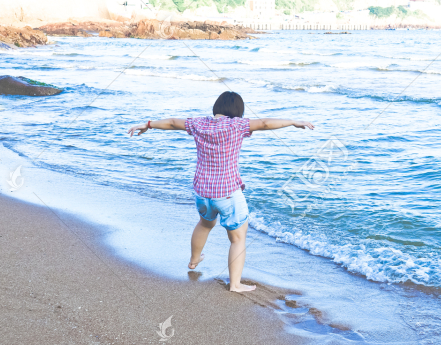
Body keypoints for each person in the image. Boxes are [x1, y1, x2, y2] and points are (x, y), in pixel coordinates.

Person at [127, 91, 314, 292]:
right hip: (227, 193)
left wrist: (147, 124)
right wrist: (293, 122)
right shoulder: (237, 125)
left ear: (217, 107)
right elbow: (265, 123)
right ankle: (235, 284)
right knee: (238, 237)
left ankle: (194, 260)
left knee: (205, 224)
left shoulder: (198, 124)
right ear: (237, 111)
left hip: (202, 192)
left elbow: (172, 122)